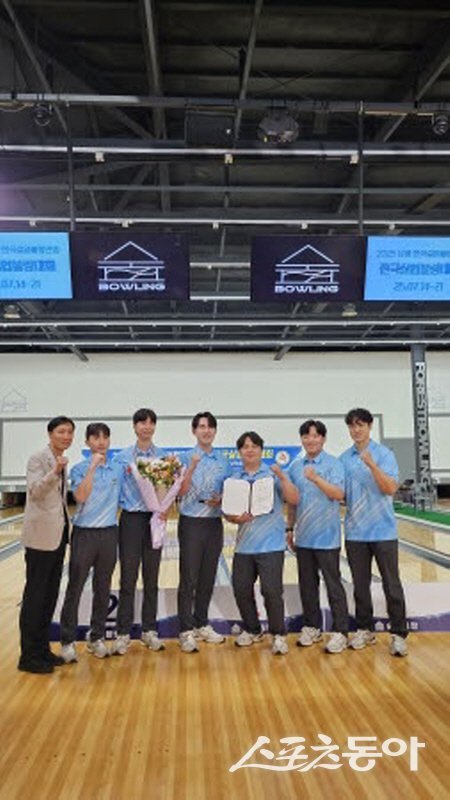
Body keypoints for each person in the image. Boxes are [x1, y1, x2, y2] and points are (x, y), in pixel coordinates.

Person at [340, 408, 408, 657]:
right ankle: (365, 629)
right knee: (360, 586)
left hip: (383, 532)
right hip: (355, 533)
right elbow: (341, 495)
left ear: (369, 426)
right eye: (352, 426)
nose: (356, 430)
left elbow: (390, 488)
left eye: (360, 425)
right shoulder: (344, 459)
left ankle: (398, 634)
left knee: (392, 585)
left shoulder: (384, 454)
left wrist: (371, 465)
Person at [227, 431, 298, 656]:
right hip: (244, 547)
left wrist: (283, 477)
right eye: (245, 446)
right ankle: (253, 629)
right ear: (240, 452)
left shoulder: (273, 475)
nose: (250, 450)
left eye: (254, 446)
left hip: (271, 545)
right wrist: (234, 518)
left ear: (261, 450)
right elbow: (228, 512)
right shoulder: (234, 478)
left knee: (271, 592)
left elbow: (293, 499)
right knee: (241, 589)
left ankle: (278, 634)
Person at [60, 423, 122, 662]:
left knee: (103, 588)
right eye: (95, 438)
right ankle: (67, 641)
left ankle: (96, 637)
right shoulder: (79, 469)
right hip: (84, 534)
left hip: (109, 534)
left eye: (105, 437)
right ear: (87, 442)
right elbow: (80, 496)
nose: (101, 442)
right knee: (75, 587)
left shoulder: (117, 469)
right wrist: (93, 468)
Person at [18, 416, 75, 674]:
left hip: (57, 536)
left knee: (49, 595)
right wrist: (54, 472)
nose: (66, 436)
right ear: (50, 433)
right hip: (40, 538)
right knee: (35, 596)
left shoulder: (60, 459)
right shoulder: (38, 459)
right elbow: (35, 491)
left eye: (70, 432)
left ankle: (42, 650)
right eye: (61, 431)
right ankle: (28, 656)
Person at [287, 420, 349, 654]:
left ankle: (341, 631)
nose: (310, 440)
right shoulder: (295, 467)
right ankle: (312, 627)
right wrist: (289, 528)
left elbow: (339, 494)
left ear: (323, 439)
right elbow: (292, 502)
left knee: (334, 586)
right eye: (306, 436)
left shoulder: (334, 464)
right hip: (304, 538)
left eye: (315, 436)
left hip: (327, 538)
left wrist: (316, 479)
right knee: (307, 586)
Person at [112, 408, 166, 655]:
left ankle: (149, 630)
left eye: (151, 423)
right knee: (128, 577)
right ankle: (123, 632)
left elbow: (167, 489)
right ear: (134, 427)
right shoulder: (122, 458)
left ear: (154, 427)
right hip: (131, 520)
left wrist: (164, 507)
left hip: (154, 520)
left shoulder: (163, 457)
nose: (146, 427)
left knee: (151, 578)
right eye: (142, 423)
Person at [177, 412, 231, 653]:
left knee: (208, 576)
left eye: (210, 427)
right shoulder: (183, 458)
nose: (206, 430)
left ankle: (201, 623)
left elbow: (230, 491)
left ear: (215, 431)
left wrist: (222, 499)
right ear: (194, 431)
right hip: (191, 522)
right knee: (189, 577)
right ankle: (185, 629)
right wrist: (191, 467)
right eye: (201, 426)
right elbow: (180, 491)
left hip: (213, 523)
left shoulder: (223, 461)